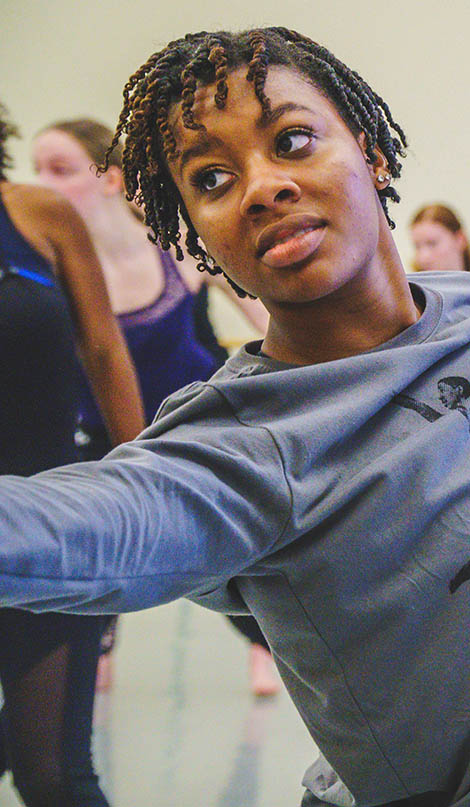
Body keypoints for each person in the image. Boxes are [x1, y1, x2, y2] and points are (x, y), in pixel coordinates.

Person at [0, 28, 470, 807]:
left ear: (371, 151)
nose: (260, 186)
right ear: (201, 237)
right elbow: (75, 525)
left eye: (292, 140)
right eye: (213, 179)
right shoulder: (253, 444)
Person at [31, 118, 279, 697]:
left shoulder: (179, 249)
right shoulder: (57, 271)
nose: (42, 184)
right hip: (107, 437)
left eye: (60, 170)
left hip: (198, 428)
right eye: (36, 169)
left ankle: (264, 648)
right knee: (102, 546)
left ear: (112, 179)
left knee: (220, 554)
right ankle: (97, 649)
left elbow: (266, 316)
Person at [0, 102, 143, 807]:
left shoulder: (38, 215)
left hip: (53, 528)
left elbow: (103, 346)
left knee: (54, 773)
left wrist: (144, 477)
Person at [409, 203, 470, 273]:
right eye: (417, 247)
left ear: (460, 239)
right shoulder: (409, 285)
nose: (423, 258)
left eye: (432, 244)